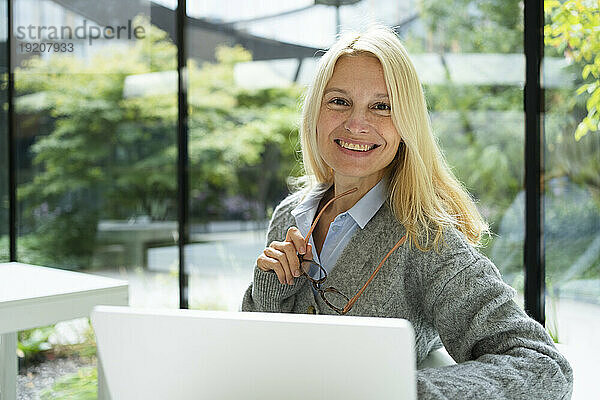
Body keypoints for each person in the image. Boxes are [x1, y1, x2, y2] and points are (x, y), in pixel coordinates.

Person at [241, 25, 572, 399]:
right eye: (339, 101)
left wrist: (402, 390)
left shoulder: (426, 237)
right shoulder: (289, 216)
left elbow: (542, 365)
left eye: (382, 107)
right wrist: (269, 292)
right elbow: (258, 356)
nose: (356, 124)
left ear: (406, 124)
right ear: (315, 111)